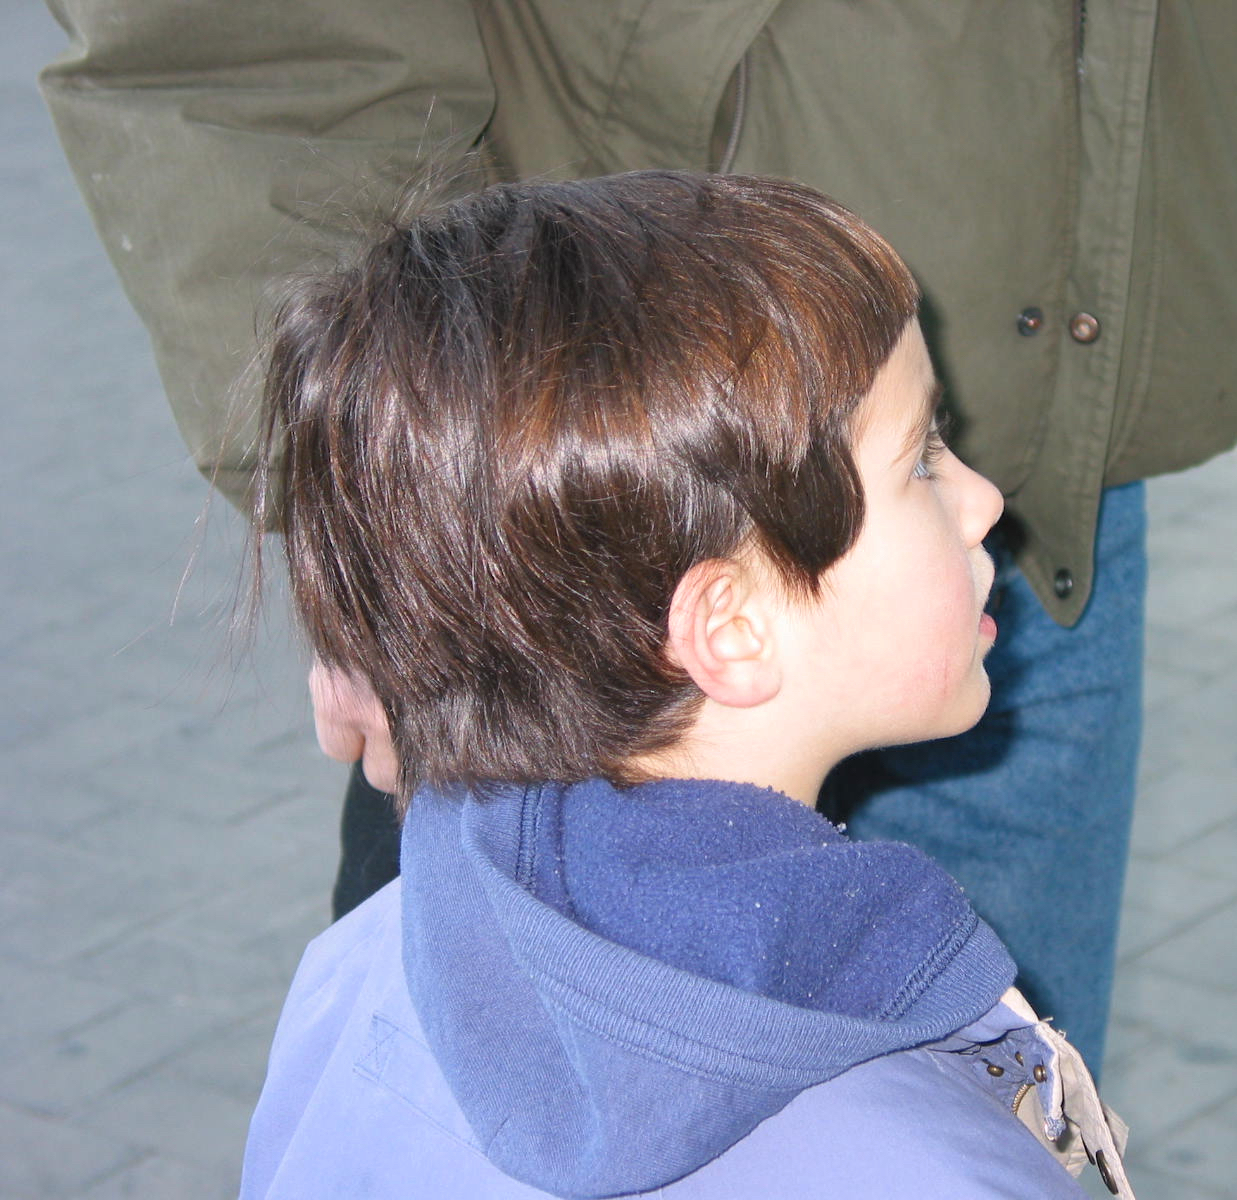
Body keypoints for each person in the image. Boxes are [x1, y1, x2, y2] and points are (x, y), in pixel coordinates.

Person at [40, 0, 1237, 1076]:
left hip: (1060, 495)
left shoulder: (986, 526)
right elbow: (242, 46)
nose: (975, 497)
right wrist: (383, 497)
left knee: (984, 1090)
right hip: (595, 540)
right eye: (930, 466)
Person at [240, 170, 1134, 1200]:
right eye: (923, 461)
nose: (982, 499)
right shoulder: (931, 1164)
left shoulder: (360, 968)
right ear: (732, 627)